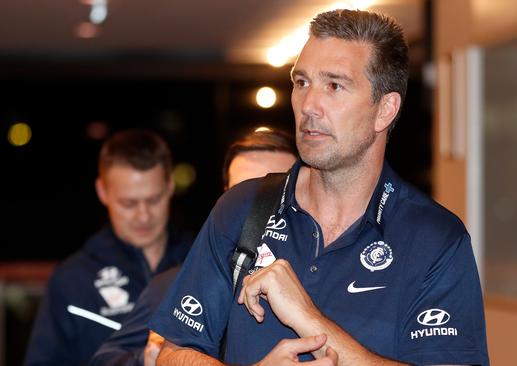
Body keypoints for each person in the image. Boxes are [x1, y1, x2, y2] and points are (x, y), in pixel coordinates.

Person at [151, 9, 489, 366]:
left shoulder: (434, 239)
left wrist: (306, 317)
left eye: (334, 85)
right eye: (301, 82)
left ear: (385, 110)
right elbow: (172, 354)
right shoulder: (242, 208)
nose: (309, 105)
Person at [90, 128, 298, 366]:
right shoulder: (179, 282)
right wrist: (146, 358)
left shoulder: (335, 279)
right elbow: (107, 359)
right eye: (243, 193)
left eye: (276, 194)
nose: (258, 210)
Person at [25, 129, 193, 365]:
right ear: (103, 191)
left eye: (154, 199)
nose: (143, 215)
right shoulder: (72, 280)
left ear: (170, 187)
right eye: (128, 203)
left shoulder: (201, 260)